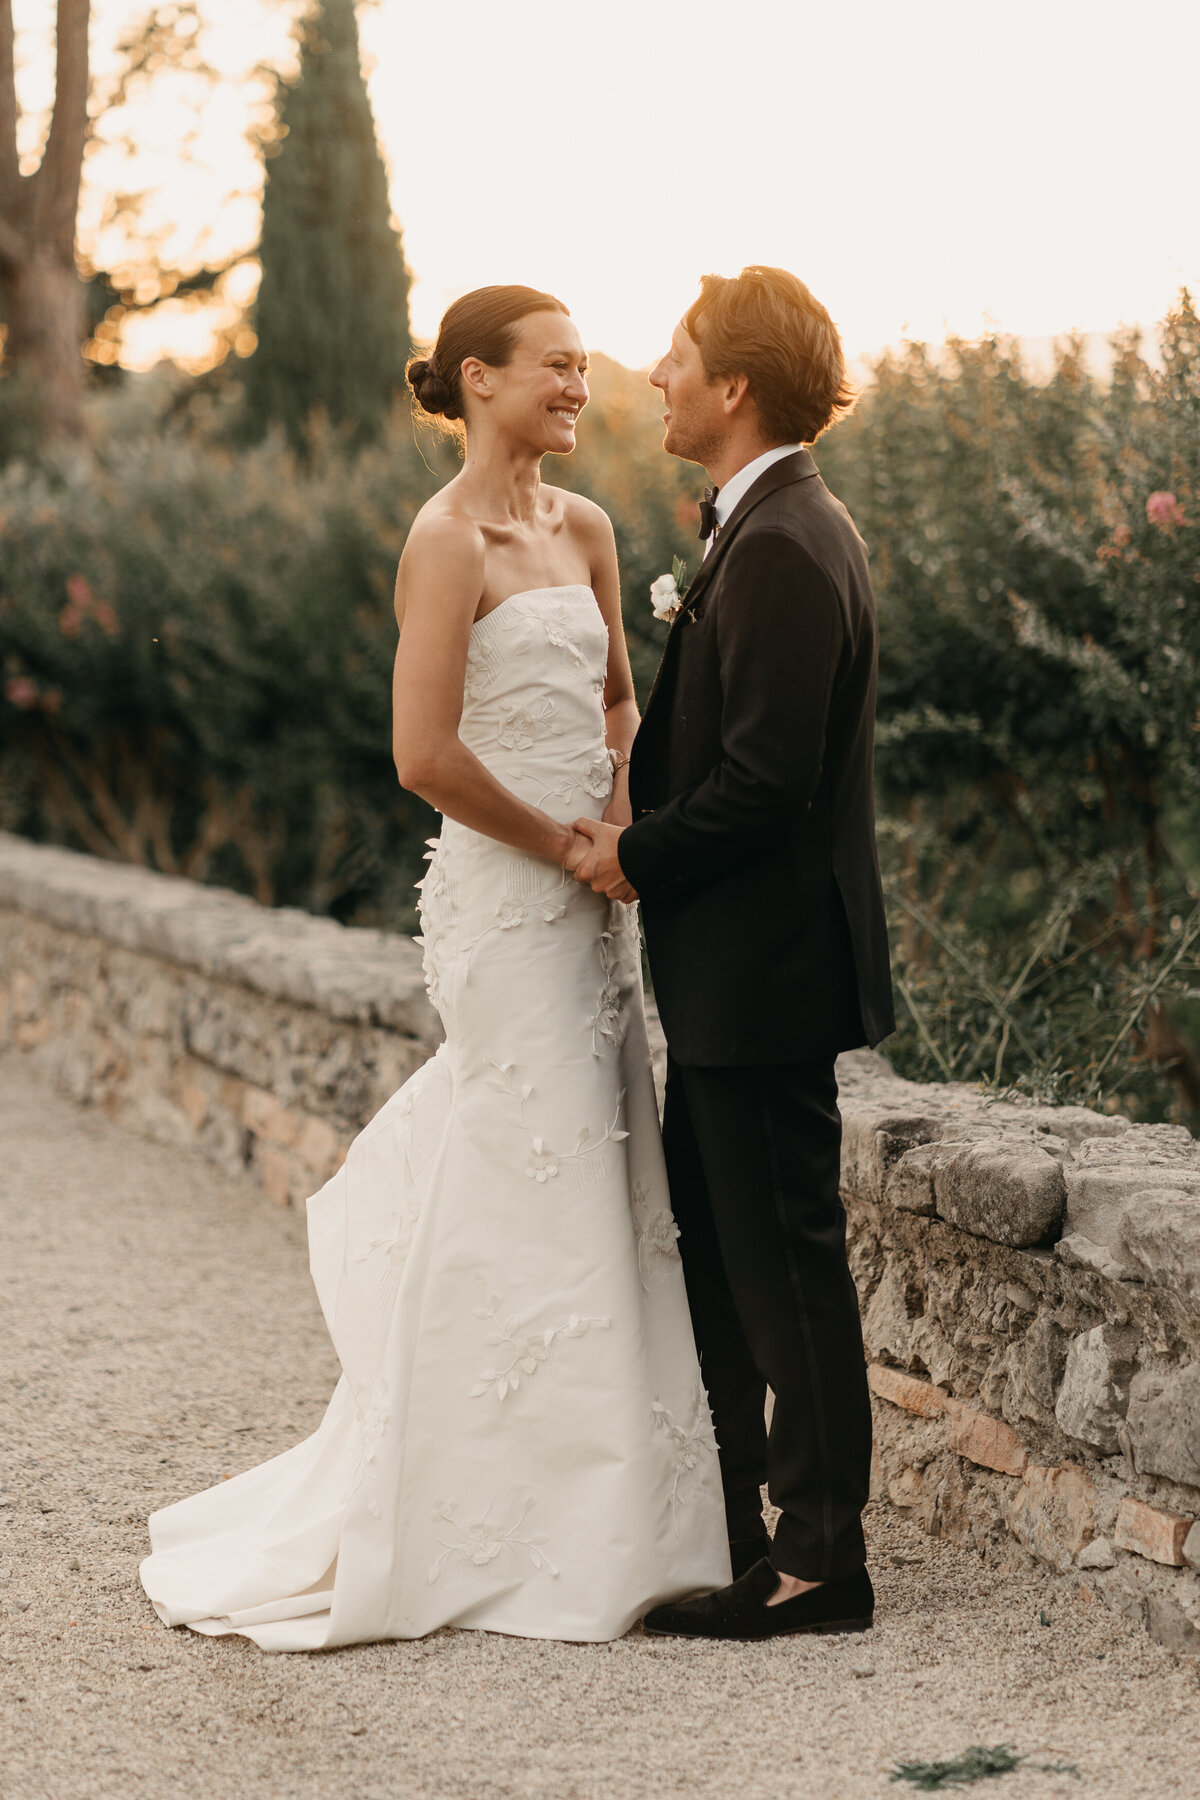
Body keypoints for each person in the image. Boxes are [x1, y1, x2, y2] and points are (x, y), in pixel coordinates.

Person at [138, 286, 729, 1650]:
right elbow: (422, 755)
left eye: (587, 371)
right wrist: (557, 849)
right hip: (508, 907)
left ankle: (619, 1512)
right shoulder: (445, 541)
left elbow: (621, 700)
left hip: (595, 898)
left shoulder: (584, 527)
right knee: (526, 1165)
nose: (583, 390)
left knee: (605, 1171)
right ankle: (481, 1512)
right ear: (479, 380)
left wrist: (626, 823)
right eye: (557, 371)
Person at [570, 266, 895, 1640]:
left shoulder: (782, 542)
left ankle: (824, 1562)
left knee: (787, 1265)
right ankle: (749, 1531)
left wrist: (630, 855)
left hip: (762, 980)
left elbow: (768, 780)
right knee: (722, 1262)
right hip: (729, 981)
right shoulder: (760, 528)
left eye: (678, 354)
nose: (656, 372)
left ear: (735, 386)